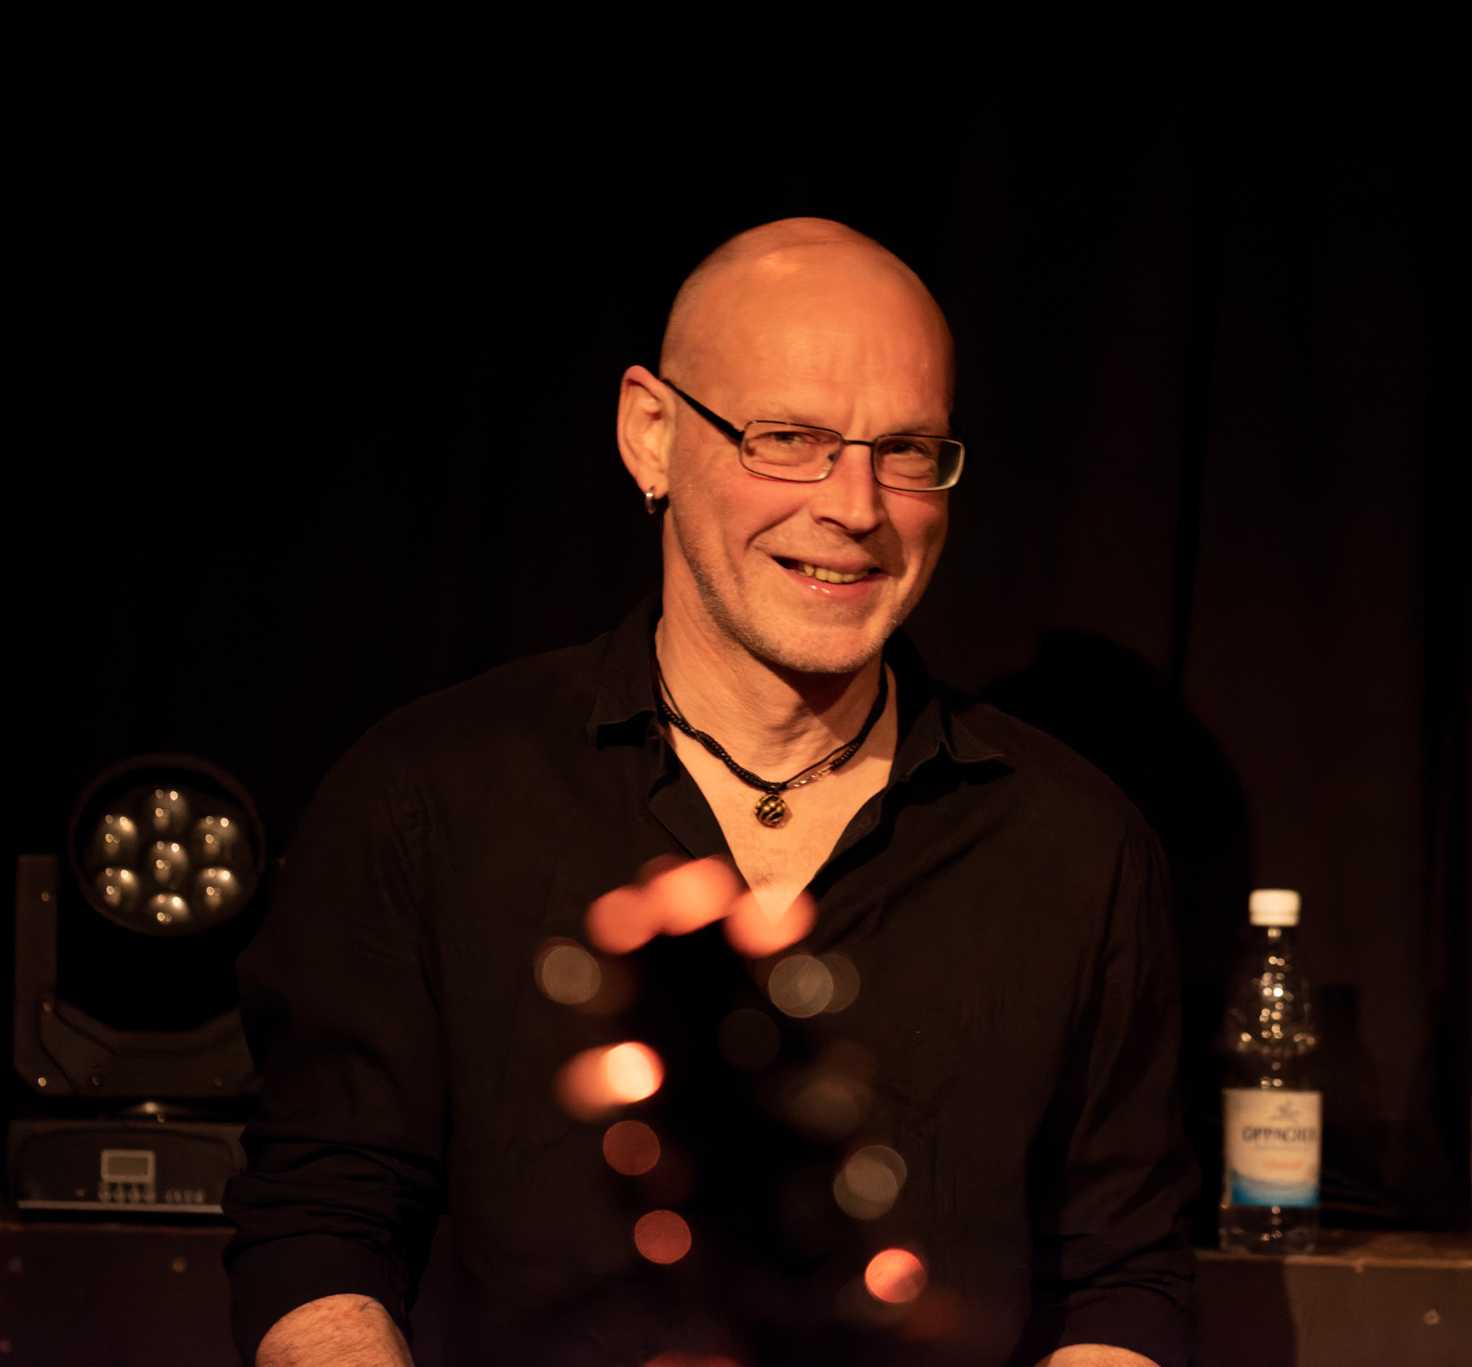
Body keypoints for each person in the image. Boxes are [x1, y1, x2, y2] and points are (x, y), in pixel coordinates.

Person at [227, 219, 1196, 1366]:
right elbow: (320, 1223)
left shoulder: (1075, 845)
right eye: (788, 439)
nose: (855, 505)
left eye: (904, 450)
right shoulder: (424, 792)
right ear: (651, 433)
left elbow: (1119, 1278)